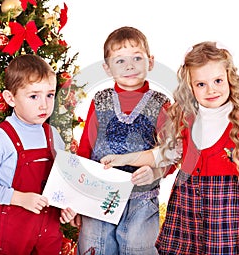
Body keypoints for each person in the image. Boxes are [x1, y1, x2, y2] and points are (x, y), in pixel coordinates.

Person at [101, 41, 239, 255]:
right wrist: (123, 159)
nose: (211, 89)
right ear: (190, 87)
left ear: (229, 80)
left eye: (217, 81)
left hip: (225, 215)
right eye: (201, 84)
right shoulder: (187, 122)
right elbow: (161, 156)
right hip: (185, 213)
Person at [72, 26, 171, 255]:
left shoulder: (161, 104)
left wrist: (156, 172)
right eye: (120, 61)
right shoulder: (100, 101)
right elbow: (86, 151)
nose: (129, 66)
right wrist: (77, 199)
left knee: (138, 250)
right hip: (98, 197)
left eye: (137, 58)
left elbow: (171, 154)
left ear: (151, 62)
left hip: (141, 201)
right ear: (107, 68)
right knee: (96, 248)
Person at [0, 54, 76, 255]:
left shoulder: (52, 135)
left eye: (49, 95)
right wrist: (19, 198)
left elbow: (62, 180)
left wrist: (66, 206)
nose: (44, 105)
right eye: (33, 96)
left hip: (49, 233)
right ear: (10, 98)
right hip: (11, 236)